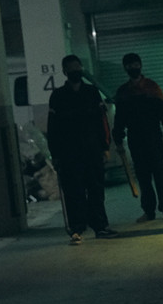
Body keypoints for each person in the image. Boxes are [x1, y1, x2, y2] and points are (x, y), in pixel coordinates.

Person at [47, 54, 118, 245]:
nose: (75, 71)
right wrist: (55, 154)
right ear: (65, 71)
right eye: (71, 68)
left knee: (96, 190)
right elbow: (53, 128)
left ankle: (100, 226)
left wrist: (105, 147)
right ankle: (77, 229)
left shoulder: (92, 92)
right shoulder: (58, 96)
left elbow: (102, 121)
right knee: (74, 192)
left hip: (92, 150)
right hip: (69, 154)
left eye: (77, 67)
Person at [112, 53, 163, 223]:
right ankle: (149, 211)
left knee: (160, 175)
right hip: (135, 140)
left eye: (135, 64)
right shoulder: (123, 92)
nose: (133, 68)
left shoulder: (152, 87)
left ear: (140, 65)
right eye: (129, 65)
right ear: (125, 68)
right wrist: (118, 139)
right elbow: (119, 119)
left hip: (154, 137)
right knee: (143, 178)